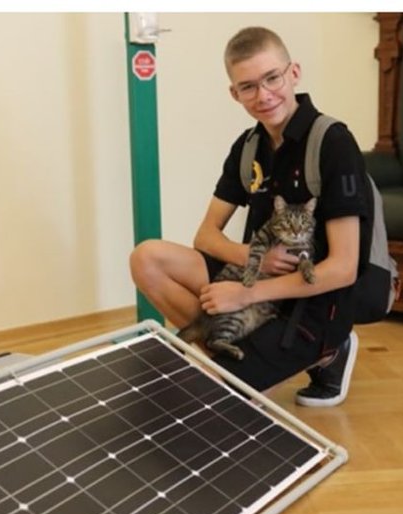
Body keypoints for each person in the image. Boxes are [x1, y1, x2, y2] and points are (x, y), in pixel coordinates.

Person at [130, 25, 372, 407]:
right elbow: (206, 236)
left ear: (293, 73)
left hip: (314, 300)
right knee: (147, 258)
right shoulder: (248, 148)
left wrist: (244, 293)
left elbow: (343, 268)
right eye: (248, 87)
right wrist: (251, 263)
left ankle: (330, 350)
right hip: (254, 289)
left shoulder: (333, 143)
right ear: (234, 93)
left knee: (213, 399)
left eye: (272, 78)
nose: (263, 95)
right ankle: (229, 353)